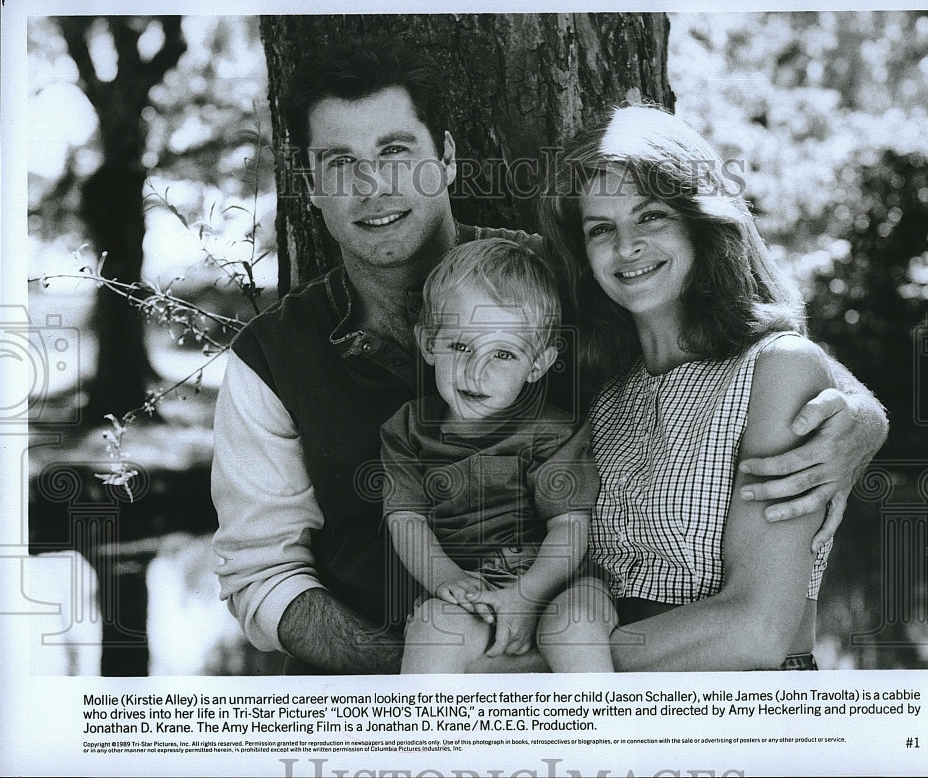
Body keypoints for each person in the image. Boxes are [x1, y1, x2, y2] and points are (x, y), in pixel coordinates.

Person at [211, 39, 888, 674]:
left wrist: (858, 414)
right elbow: (263, 576)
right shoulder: (270, 359)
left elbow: (736, 346)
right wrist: (421, 674)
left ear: (444, 157)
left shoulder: (563, 281)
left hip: (585, 653)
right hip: (411, 684)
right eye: (340, 164)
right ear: (310, 185)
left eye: (395, 151)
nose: (373, 186)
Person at [540, 103, 873, 670]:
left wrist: (527, 678)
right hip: (616, 709)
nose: (627, 247)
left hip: (744, 713)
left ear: (699, 221)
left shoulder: (777, 370)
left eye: (651, 217)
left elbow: (754, 629)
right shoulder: (607, 394)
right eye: (602, 229)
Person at [382, 238, 613, 673]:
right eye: (461, 346)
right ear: (429, 343)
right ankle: (424, 742)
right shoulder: (407, 430)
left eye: (503, 353)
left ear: (538, 364)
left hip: (561, 583)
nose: (476, 370)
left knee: (576, 628)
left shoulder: (554, 432)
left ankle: (602, 737)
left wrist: (528, 595)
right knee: (433, 629)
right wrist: (447, 580)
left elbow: (569, 527)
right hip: (466, 586)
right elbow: (406, 520)